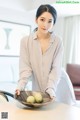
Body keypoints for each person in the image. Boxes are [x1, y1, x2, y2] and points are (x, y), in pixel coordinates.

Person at [15, 4, 63, 101]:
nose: (45, 25)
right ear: (36, 19)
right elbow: (25, 69)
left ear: (54, 23)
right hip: (37, 89)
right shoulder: (25, 41)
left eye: (50, 21)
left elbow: (56, 69)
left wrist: (51, 88)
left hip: (58, 87)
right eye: (42, 19)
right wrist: (20, 86)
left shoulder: (58, 41)